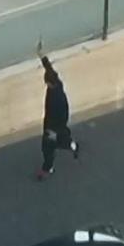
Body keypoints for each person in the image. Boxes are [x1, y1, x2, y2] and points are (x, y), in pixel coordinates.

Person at [36, 42, 79, 181]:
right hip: (50, 123)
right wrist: (42, 56)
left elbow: (62, 116)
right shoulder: (56, 83)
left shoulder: (57, 98)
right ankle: (50, 164)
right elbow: (49, 69)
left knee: (49, 144)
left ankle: (48, 166)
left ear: (49, 83)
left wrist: (54, 131)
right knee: (49, 144)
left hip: (54, 125)